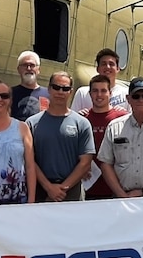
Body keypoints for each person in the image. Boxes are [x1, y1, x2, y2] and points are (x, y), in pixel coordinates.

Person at [27, 71, 96, 202]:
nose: (60, 92)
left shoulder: (82, 123)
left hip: (72, 192)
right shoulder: (31, 123)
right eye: (56, 87)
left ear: (71, 91)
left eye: (65, 89)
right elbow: (29, 160)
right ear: (48, 89)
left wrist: (63, 188)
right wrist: (48, 188)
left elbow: (85, 162)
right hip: (41, 191)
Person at [77, 74, 130, 200]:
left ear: (110, 93)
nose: (99, 95)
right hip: (89, 185)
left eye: (103, 91)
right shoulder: (81, 120)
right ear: (90, 94)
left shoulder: (123, 118)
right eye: (95, 91)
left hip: (117, 188)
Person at [71, 47, 129, 112]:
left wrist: (126, 114)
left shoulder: (127, 93)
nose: (107, 67)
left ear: (118, 69)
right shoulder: (82, 93)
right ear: (97, 68)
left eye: (111, 64)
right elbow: (73, 117)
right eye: (103, 64)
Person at [10, 50, 49, 121]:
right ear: (18, 69)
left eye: (32, 65)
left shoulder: (48, 94)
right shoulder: (10, 93)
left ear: (38, 69)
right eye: (25, 65)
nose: (28, 68)